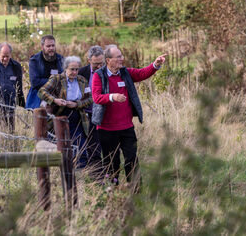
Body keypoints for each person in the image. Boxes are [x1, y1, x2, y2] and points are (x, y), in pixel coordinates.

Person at [91, 44, 167, 189]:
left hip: (126, 127)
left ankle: (136, 189)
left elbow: (142, 73)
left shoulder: (125, 73)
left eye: (122, 56)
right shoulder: (98, 75)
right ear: (108, 60)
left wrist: (155, 65)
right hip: (106, 129)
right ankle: (111, 189)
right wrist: (112, 97)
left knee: (131, 159)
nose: (122, 59)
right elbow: (96, 97)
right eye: (118, 57)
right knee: (111, 162)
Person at [38, 56, 93, 168]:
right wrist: (55, 100)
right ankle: (58, 171)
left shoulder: (82, 80)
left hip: (77, 116)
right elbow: (41, 91)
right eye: (72, 69)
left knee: (79, 146)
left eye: (77, 69)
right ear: (65, 68)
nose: (74, 72)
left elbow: (90, 98)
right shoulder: (56, 79)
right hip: (58, 115)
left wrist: (77, 104)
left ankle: (79, 173)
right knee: (59, 145)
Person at [78, 45, 104, 177]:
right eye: (96, 64)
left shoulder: (107, 72)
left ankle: (99, 173)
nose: (99, 66)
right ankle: (90, 172)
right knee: (86, 143)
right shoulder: (81, 72)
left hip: (102, 113)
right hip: (84, 113)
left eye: (101, 63)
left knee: (98, 144)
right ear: (89, 60)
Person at [26, 35, 64, 109]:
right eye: (48, 46)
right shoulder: (34, 61)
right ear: (42, 47)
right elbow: (35, 82)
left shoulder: (60, 59)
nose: (51, 48)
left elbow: (64, 79)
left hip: (58, 95)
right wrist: (55, 81)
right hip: (39, 96)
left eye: (53, 45)